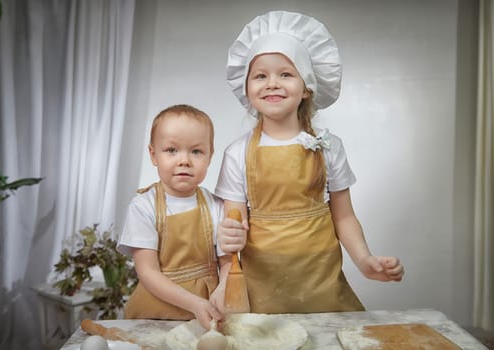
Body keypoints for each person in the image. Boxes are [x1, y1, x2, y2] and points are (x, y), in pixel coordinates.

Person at [215, 11, 404, 314]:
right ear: (247, 88)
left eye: (286, 74)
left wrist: (365, 261)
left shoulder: (328, 147)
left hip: (321, 281)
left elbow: (343, 217)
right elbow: (234, 223)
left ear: (306, 89)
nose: (272, 83)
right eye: (260, 75)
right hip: (262, 285)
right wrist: (227, 240)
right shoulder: (237, 153)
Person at [118, 104, 233, 330]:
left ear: (210, 156)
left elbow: (227, 261)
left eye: (196, 151)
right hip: (155, 315)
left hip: (206, 315)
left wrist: (223, 289)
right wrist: (194, 303)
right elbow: (147, 272)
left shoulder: (216, 205)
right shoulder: (143, 206)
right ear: (153, 155)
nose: (184, 161)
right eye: (172, 150)